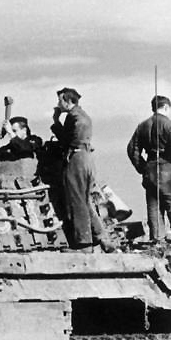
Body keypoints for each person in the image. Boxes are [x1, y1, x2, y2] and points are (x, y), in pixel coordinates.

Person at [50, 87, 114, 252]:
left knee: (77, 201)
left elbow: (66, 140)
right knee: (85, 201)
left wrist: (56, 122)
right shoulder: (82, 115)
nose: (58, 104)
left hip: (77, 159)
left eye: (60, 100)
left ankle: (83, 244)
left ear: (68, 101)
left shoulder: (74, 117)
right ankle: (102, 237)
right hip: (86, 159)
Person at [127, 95, 171, 241]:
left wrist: (142, 167)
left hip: (150, 170)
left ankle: (157, 241)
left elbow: (132, 149)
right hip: (168, 170)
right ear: (166, 107)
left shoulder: (142, 126)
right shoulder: (169, 125)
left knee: (154, 208)